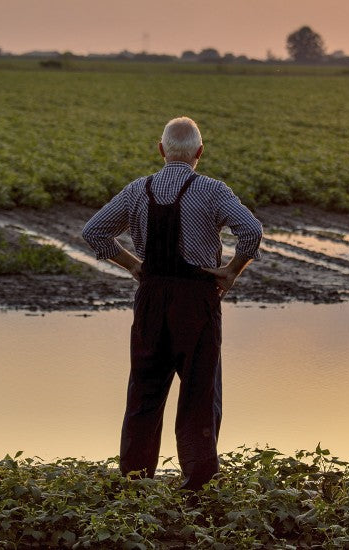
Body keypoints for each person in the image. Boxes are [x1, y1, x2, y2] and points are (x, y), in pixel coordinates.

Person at [81, 117, 262, 490]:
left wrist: (133, 265)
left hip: (151, 300)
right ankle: (197, 483)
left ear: (161, 150)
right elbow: (252, 230)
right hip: (197, 301)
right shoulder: (212, 190)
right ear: (199, 152)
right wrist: (232, 271)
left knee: (144, 392)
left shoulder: (137, 190)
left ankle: (135, 482)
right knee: (199, 391)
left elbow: (94, 231)